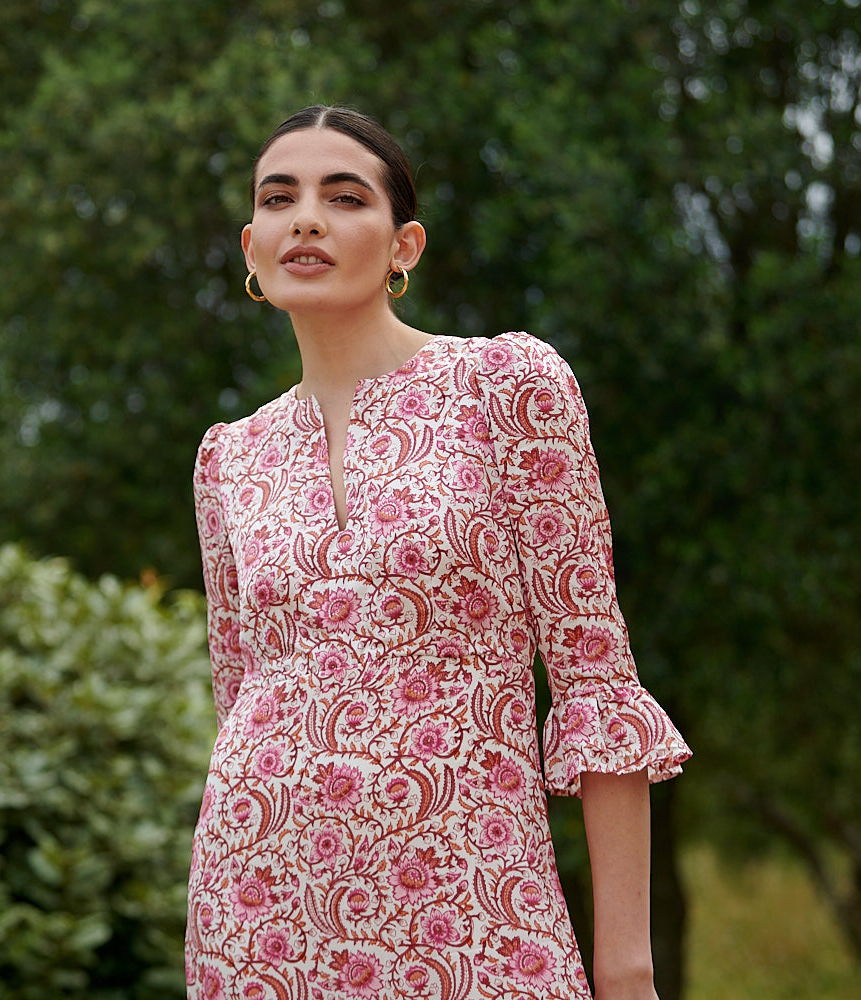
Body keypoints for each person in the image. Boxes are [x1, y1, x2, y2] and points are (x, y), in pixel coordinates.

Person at [186, 106, 691, 1000]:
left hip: (474, 905)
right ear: (252, 248)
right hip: (257, 915)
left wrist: (626, 966)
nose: (307, 218)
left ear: (404, 245)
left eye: (345, 197)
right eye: (280, 198)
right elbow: (240, 697)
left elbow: (594, 682)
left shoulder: (506, 388)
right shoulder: (230, 456)